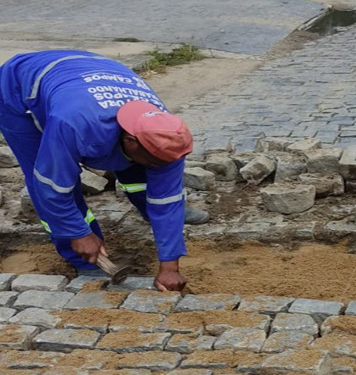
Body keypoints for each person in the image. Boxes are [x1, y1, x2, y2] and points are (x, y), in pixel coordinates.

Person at [0, 50, 209, 291]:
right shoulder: (74, 125)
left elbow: (168, 198)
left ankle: (148, 212)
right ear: (131, 141)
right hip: (18, 91)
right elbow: (52, 188)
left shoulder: (166, 137)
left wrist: (170, 268)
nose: (161, 166)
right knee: (48, 175)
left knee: (142, 173)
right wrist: (79, 233)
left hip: (93, 69)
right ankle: (84, 261)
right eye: (155, 160)